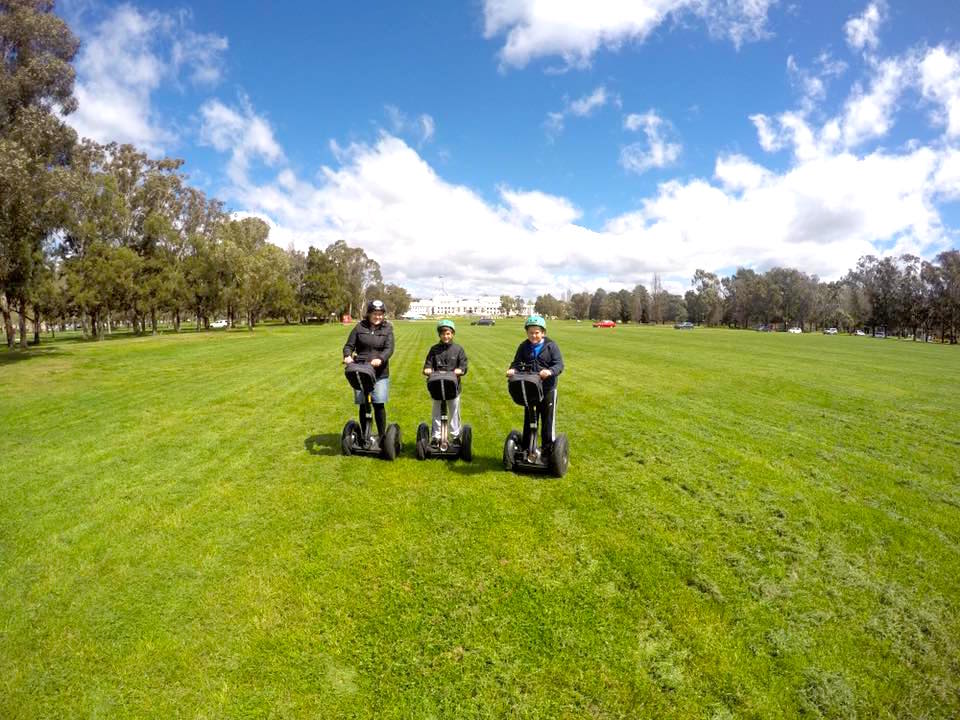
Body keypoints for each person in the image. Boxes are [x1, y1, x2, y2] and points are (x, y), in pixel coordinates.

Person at [506, 315, 564, 457]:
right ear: (527, 333)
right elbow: (517, 363)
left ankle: (547, 450)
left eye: (537, 332)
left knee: (547, 421)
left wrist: (549, 371)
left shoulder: (551, 346)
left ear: (543, 332)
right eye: (531, 332)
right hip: (529, 387)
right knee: (529, 419)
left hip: (547, 389)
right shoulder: (523, 346)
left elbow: (559, 365)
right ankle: (527, 448)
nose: (534, 335)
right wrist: (513, 370)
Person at [342, 299, 394, 444]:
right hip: (361, 370)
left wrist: (381, 359)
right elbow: (349, 345)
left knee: (378, 403)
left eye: (380, 314)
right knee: (363, 403)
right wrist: (347, 356)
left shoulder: (387, 329)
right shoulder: (359, 327)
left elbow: (389, 349)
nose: (377, 316)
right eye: (374, 313)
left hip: (379, 372)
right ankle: (365, 436)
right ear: (369, 314)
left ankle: (383, 436)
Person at [422, 319, 468, 444]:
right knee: (436, 412)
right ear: (439, 335)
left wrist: (460, 370)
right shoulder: (434, 349)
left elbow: (464, 366)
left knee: (454, 412)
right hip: (436, 387)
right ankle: (436, 437)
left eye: (448, 333)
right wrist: (427, 369)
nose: (445, 336)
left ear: (452, 334)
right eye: (443, 334)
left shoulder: (458, 349)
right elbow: (428, 364)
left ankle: (456, 436)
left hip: (453, 387)